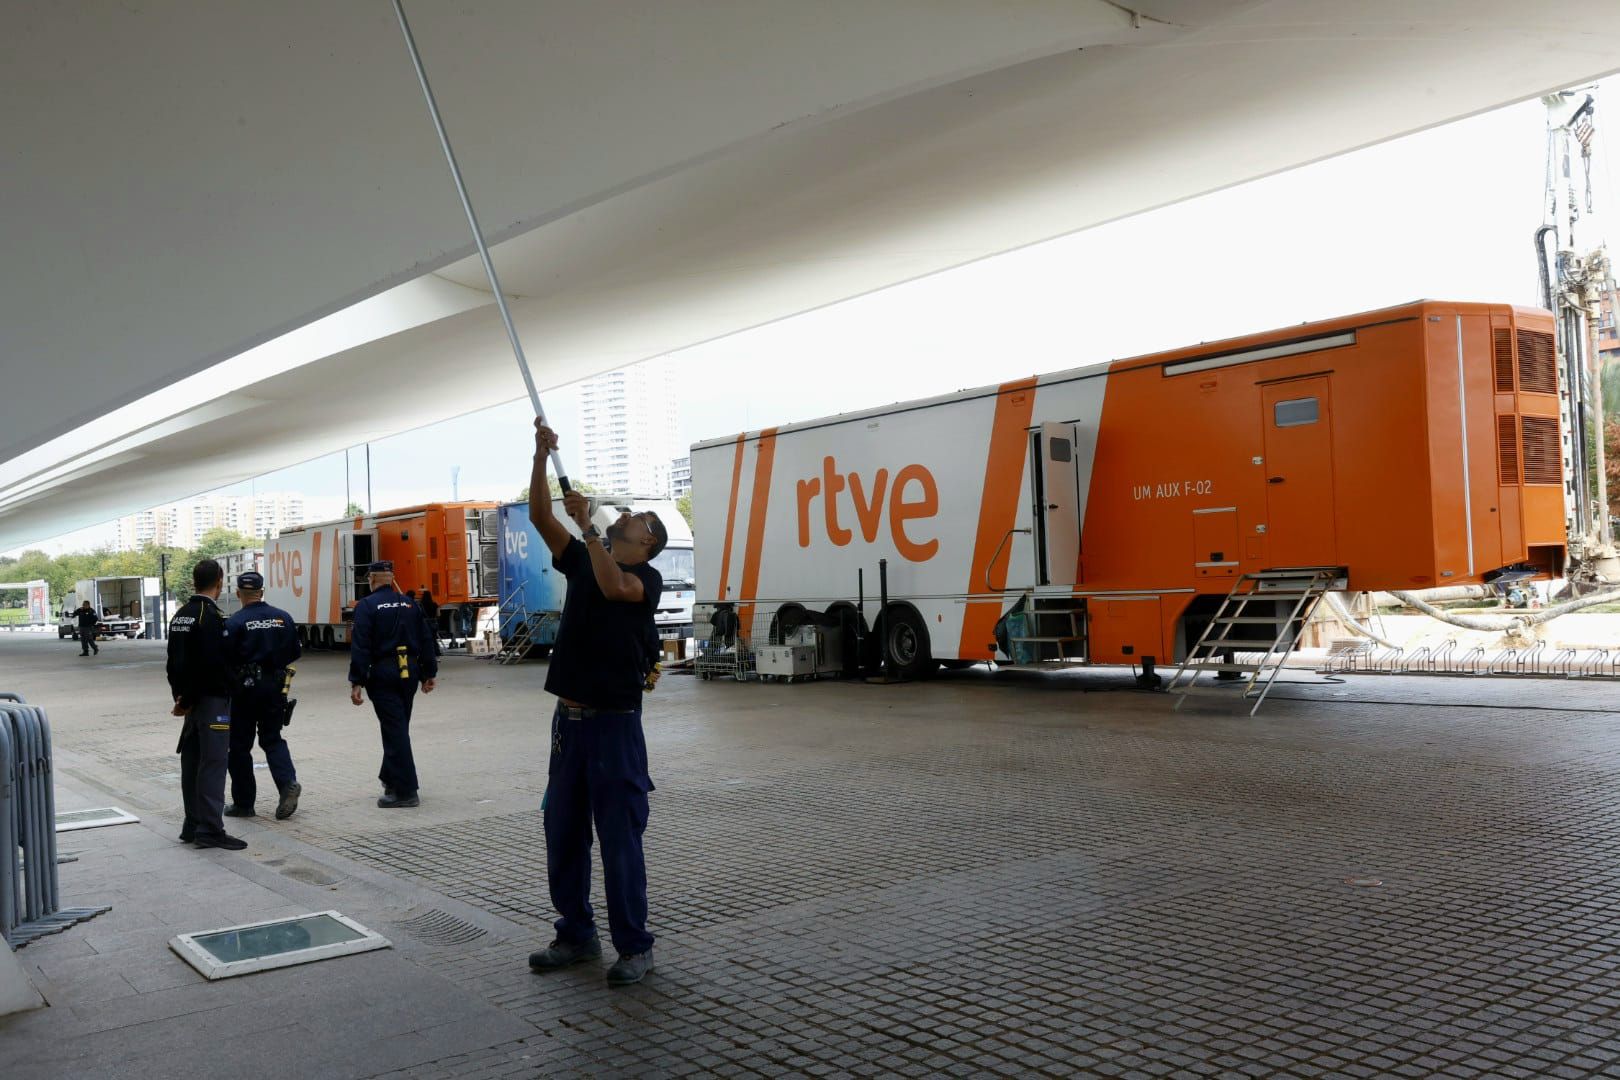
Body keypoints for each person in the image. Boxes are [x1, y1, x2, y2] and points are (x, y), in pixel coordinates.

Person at [526, 420, 667, 987]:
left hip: (614, 729)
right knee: (562, 831)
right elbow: (540, 517)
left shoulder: (645, 579)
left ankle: (634, 946)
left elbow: (614, 588)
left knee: (619, 838)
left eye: (637, 520)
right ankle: (576, 934)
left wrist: (587, 528)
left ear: (646, 543)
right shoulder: (587, 555)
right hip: (570, 724)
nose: (627, 516)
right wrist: (539, 458)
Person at [166, 559, 246, 851]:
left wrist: (180, 699)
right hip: (210, 701)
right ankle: (211, 829)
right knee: (213, 764)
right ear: (220, 581)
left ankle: (192, 824)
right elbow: (209, 666)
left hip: (190, 703)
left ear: (193, 581)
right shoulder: (209, 617)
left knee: (192, 763)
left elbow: (173, 662)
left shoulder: (181, 615)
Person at [348, 561, 438, 808]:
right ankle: (390, 779)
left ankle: (407, 791)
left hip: (383, 673)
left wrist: (357, 680)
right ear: (391, 578)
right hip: (409, 672)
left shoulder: (367, 606)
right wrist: (429, 673)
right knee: (398, 728)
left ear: (372, 579)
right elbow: (426, 638)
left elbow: (361, 646)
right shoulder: (411, 604)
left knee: (394, 730)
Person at [222, 571, 303, 821]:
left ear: (238, 594)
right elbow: (294, 652)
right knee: (272, 738)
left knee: (239, 746)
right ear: (262, 591)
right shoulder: (282, 617)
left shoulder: (234, 622)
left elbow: (225, 659)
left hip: (244, 690)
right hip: (276, 687)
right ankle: (287, 783)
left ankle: (244, 804)